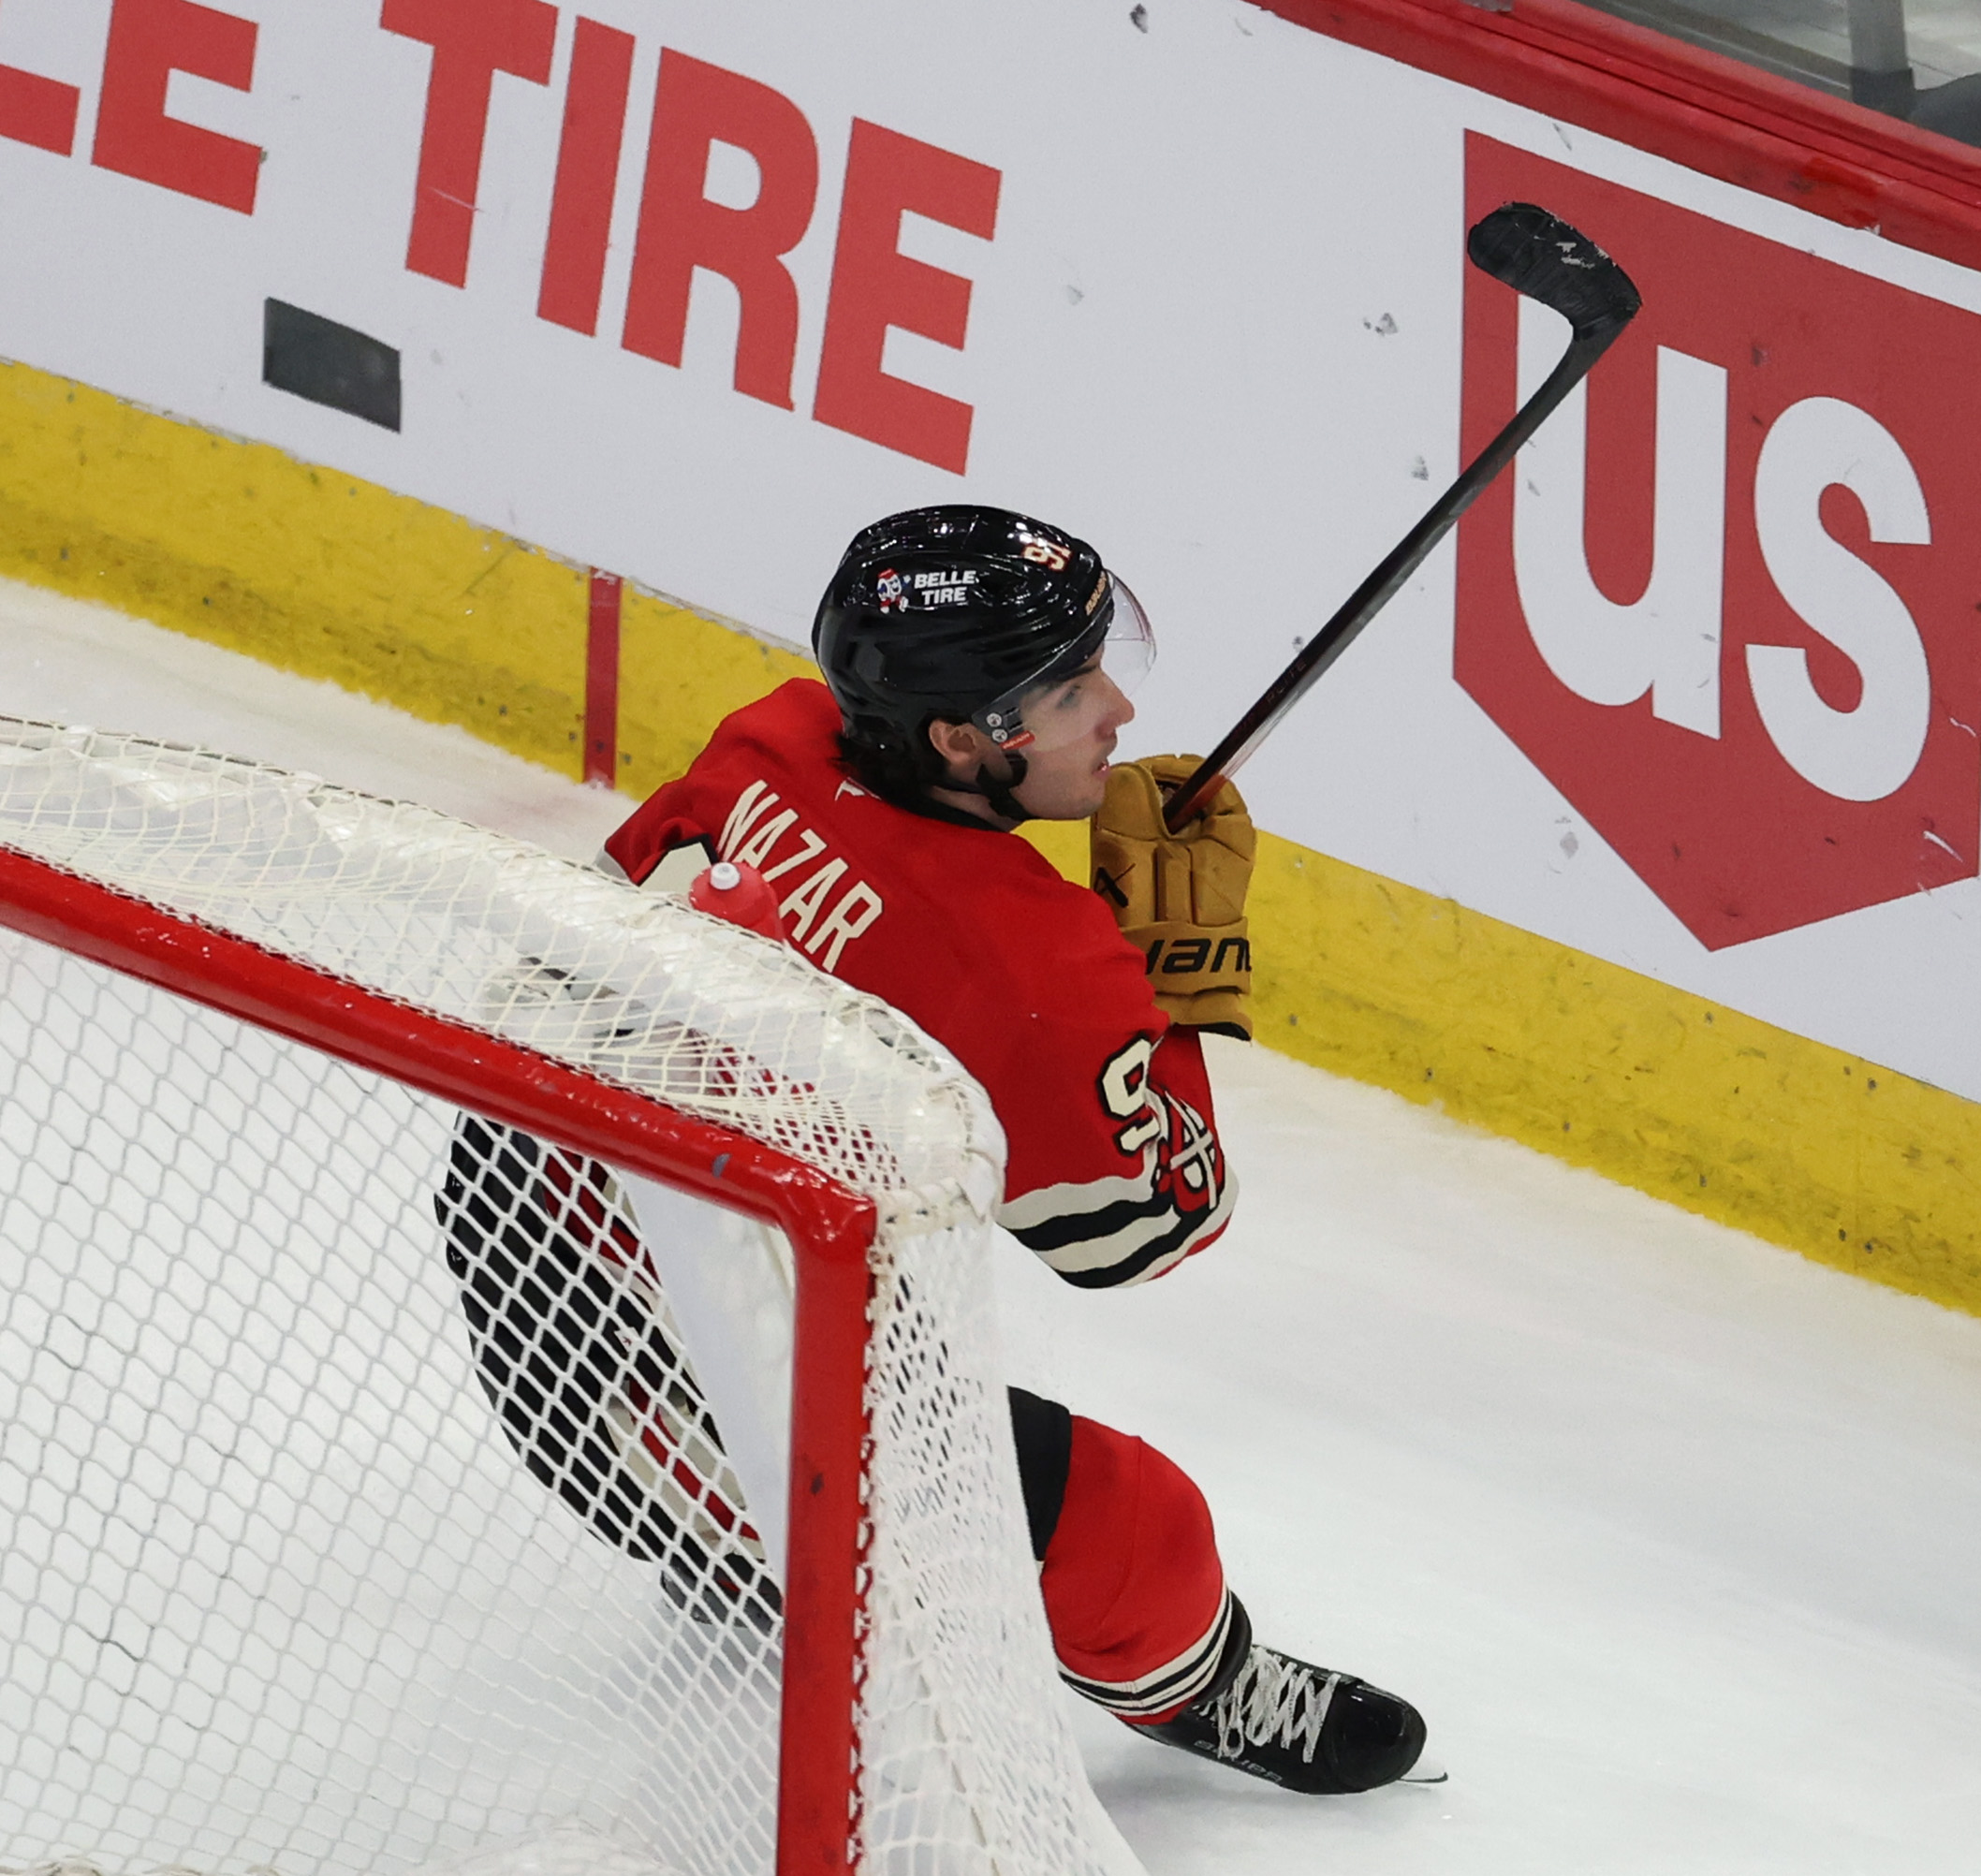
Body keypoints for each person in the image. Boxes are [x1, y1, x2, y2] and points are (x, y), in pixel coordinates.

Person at [446, 504, 1423, 1795]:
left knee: (849, 1281)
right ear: (966, 740)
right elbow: (1143, 1230)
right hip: (665, 1403)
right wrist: (1173, 966)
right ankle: (1203, 1688)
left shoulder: (774, 736)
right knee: (1141, 1529)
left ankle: (752, 1546)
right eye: (1072, 691)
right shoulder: (1027, 972)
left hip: (522, 1235)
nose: (1118, 712)